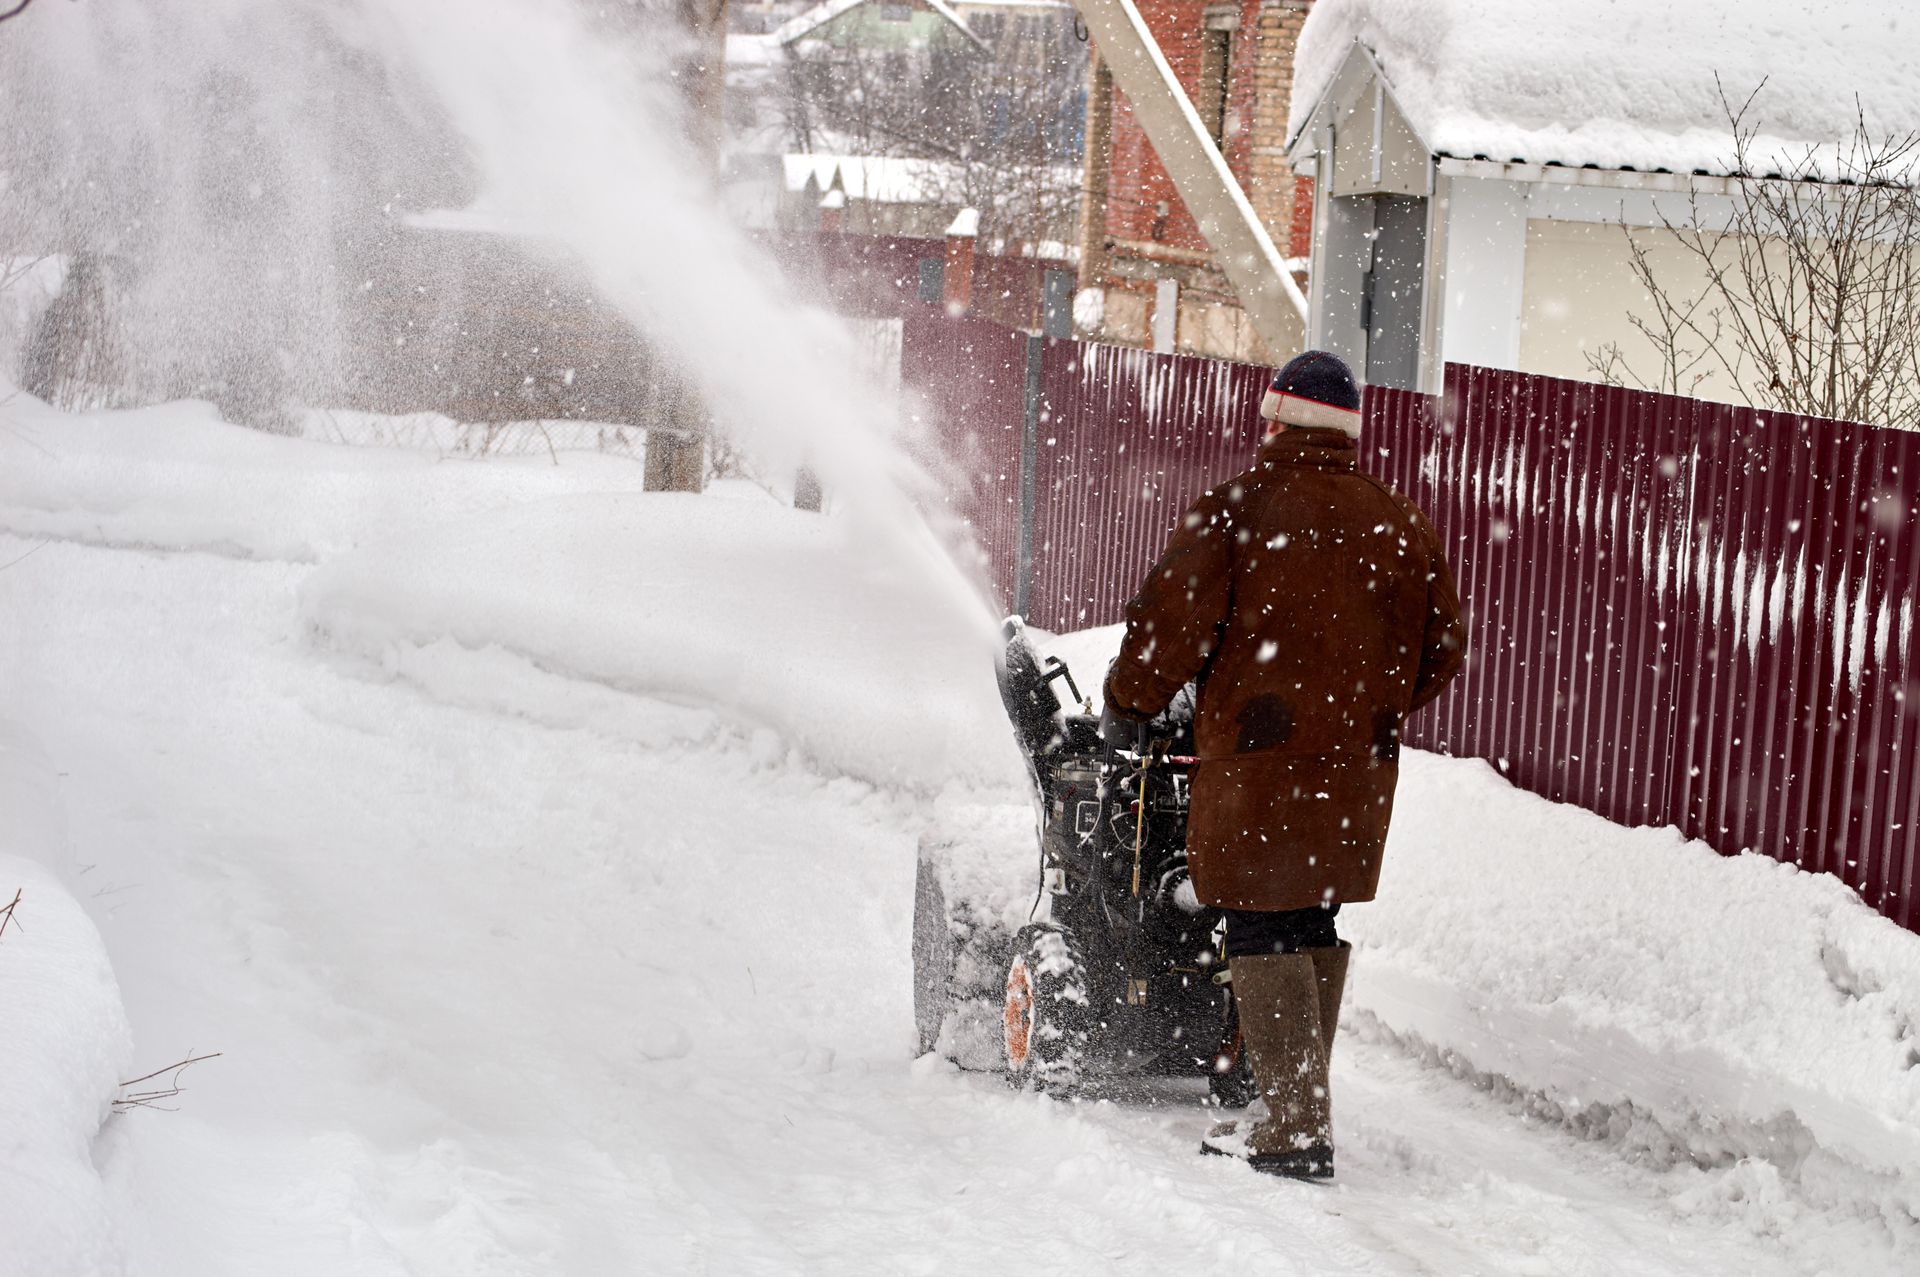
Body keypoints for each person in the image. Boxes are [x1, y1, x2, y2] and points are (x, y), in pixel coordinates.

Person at [1101, 350, 1464, 1180]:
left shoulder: (1240, 510)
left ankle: (1292, 1129)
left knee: (1261, 920)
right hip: (1353, 776)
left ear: (1277, 422)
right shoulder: (1398, 521)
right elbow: (1442, 646)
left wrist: (1130, 703)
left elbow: (1168, 627)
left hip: (1259, 764)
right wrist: (1366, 707)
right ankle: (1283, 1103)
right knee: (1311, 918)